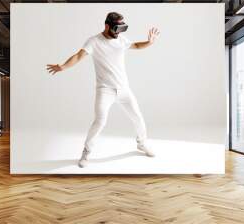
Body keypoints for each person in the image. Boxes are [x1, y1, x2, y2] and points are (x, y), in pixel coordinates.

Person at [47, 12, 160, 168]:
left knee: (138, 117)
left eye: (122, 28)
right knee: (100, 121)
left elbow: (136, 45)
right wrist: (63, 66)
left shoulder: (121, 39)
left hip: (124, 89)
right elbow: (79, 56)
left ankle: (141, 144)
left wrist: (149, 42)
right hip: (105, 90)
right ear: (107, 26)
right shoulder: (94, 41)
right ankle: (86, 152)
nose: (118, 32)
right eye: (116, 28)